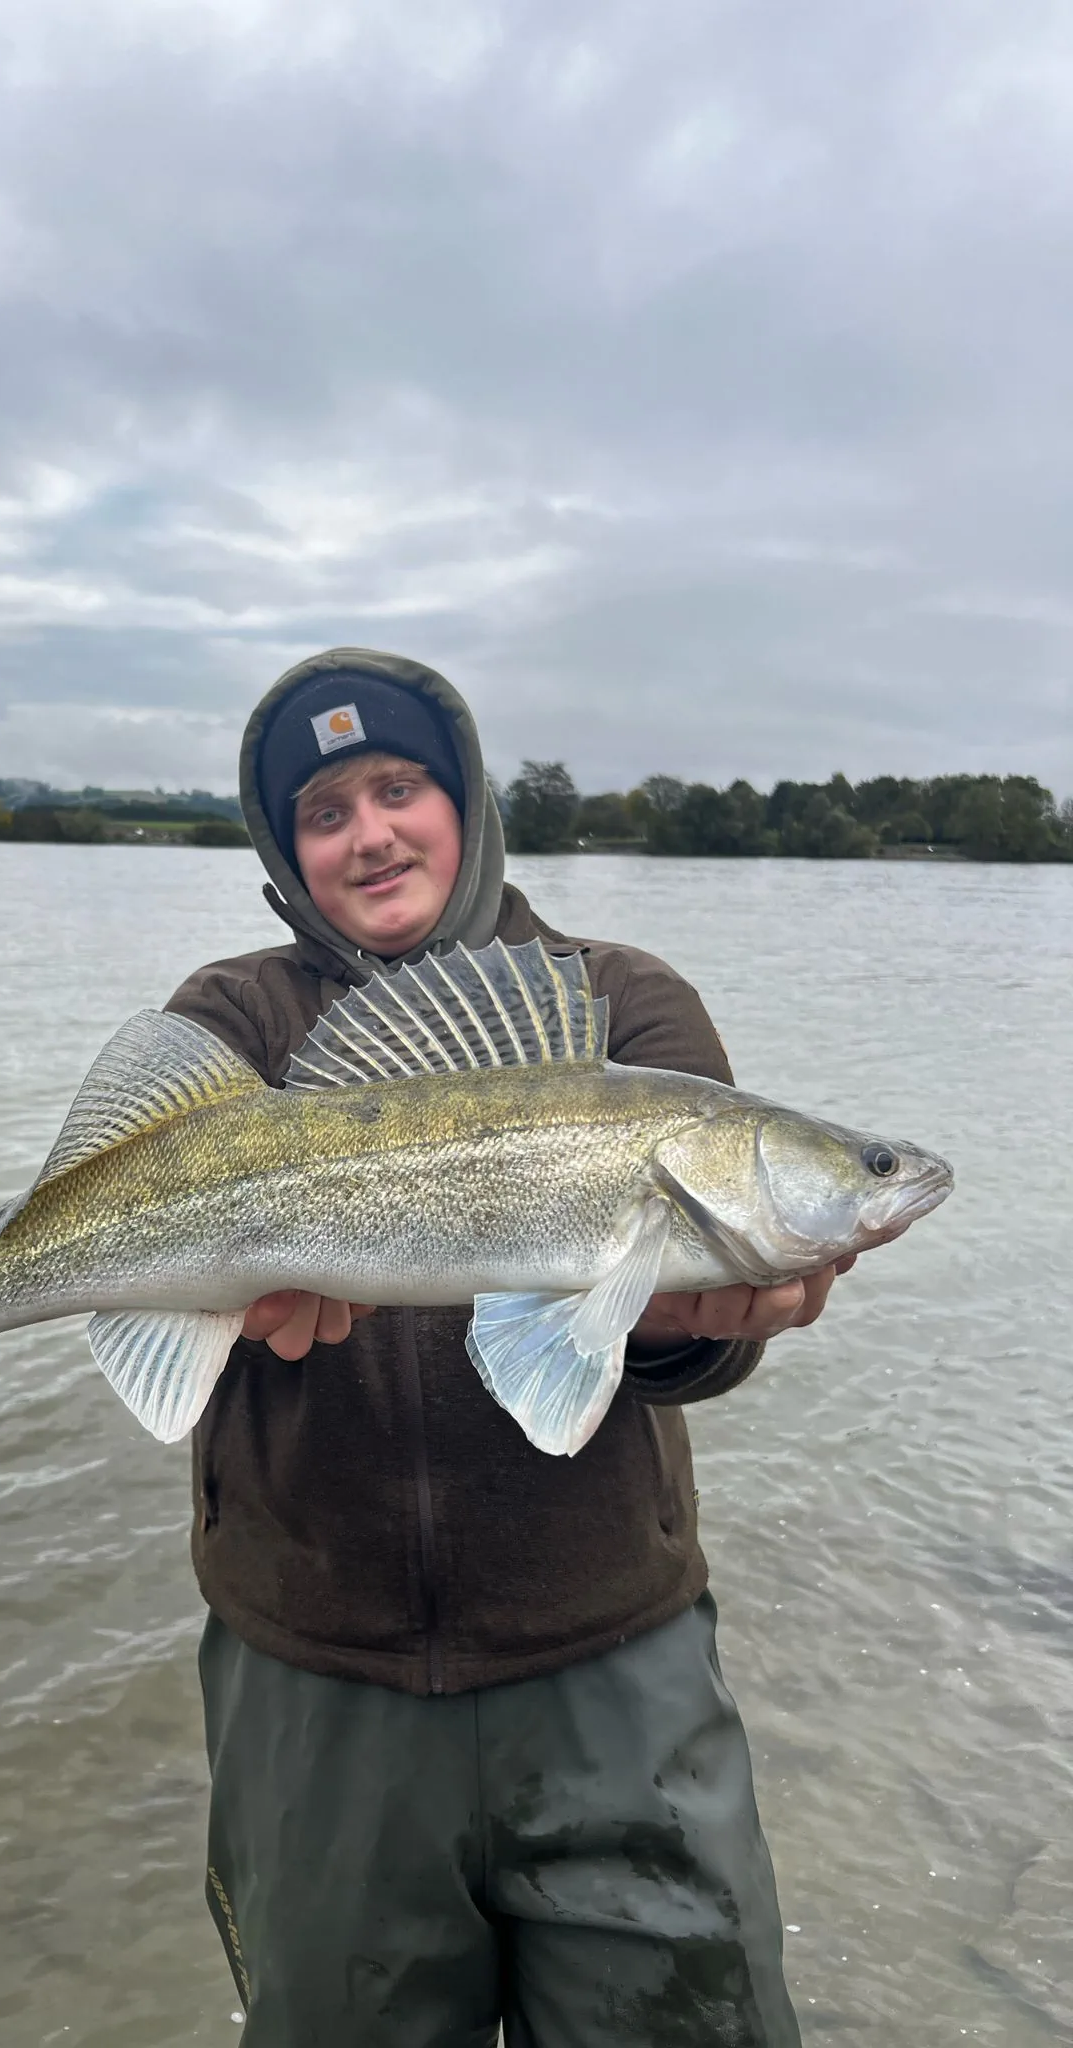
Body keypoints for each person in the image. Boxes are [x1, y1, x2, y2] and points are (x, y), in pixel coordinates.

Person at [166, 649, 843, 2046]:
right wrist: (207, 1309)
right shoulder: (233, 1022)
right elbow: (154, 1297)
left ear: (464, 800)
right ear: (284, 851)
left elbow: (707, 1352)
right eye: (325, 811)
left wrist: (674, 1328)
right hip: (315, 1669)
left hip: (608, 1659)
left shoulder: (621, 1007)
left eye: (399, 786)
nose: (371, 834)